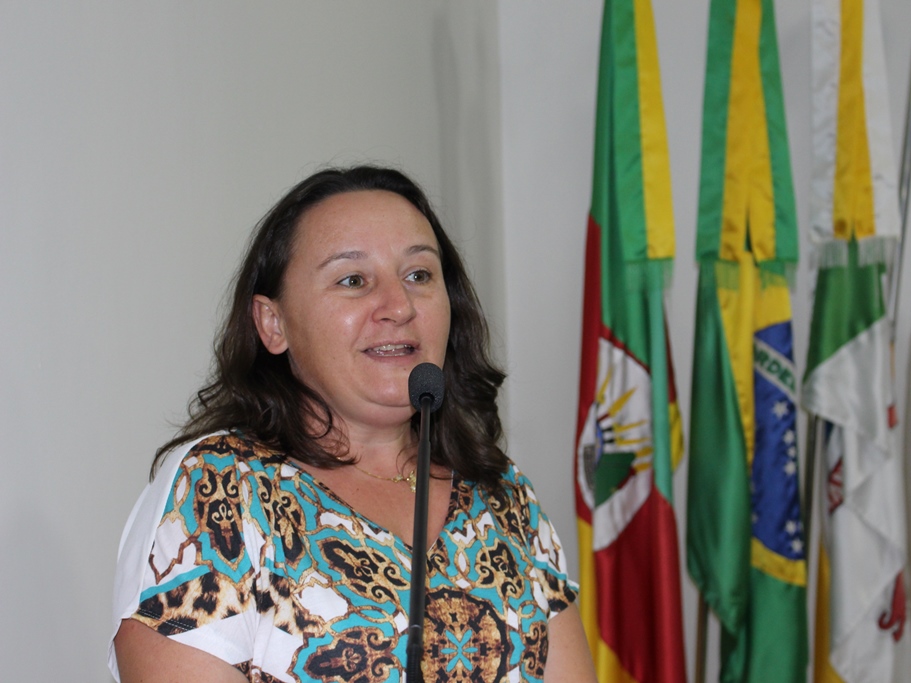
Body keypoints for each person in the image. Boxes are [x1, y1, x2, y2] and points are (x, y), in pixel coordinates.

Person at [108, 165, 597, 683]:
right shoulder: (220, 491)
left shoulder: (504, 496)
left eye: (419, 275)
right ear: (273, 323)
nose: (399, 306)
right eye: (353, 280)